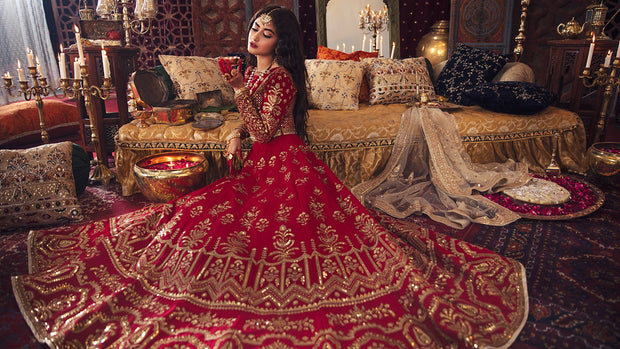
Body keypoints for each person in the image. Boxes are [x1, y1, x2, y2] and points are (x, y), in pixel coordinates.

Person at [12, 6, 528, 348]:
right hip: (266, 157)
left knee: (264, 230)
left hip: (286, 164)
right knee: (198, 217)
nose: (255, 34)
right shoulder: (261, 74)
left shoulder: (277, 76)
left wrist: (240, 96)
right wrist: (237, 130)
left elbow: (265, 127)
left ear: (280, 43)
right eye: (255, 26)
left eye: (265, 31)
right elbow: (255, 131)